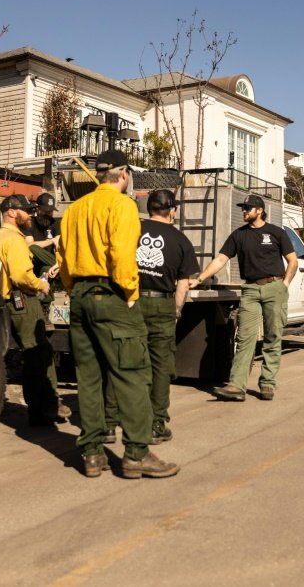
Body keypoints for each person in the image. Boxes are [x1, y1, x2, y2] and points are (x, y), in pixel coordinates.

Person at [56, 149, 179, 479]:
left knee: (89, 376)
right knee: (132, 374)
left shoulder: (75, 209)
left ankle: (93, 454)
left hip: (80, 296)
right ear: (123, 174)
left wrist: (74, 290)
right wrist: (129, 294)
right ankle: (136, 454)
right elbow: (122, 254)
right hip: (112, 294)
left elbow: (64, 257)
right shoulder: (123, 206)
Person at [104, 189, 198, 444]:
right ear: (172, 210)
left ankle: (109, 424)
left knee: (122, 361)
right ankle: (156, 424)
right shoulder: (181, 241)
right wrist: (176, 310)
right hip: (161, 306)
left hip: (129, 301)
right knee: (160, 366)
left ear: (149, 208)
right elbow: (183, 284)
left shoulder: (131, 229)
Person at [192, 194, 297, 402]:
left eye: (248, 208)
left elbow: (292, 261)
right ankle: (236, 385)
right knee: (244, 339)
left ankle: (267, 383)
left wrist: (284, 285)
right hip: (249, 289)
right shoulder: (238, 236)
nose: (244, 211)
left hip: (274, 287)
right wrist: (200, 278)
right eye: (243, 208)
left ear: (260, 210)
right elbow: (221, 259)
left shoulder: (276, 233)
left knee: (273, 336)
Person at [0, 194, 63, 427]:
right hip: (23, 300)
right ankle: (43, 410)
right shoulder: (14, 239)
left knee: (36, 352)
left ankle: (44, 408)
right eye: (25, 210)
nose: (30, 214)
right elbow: (21, 275)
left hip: (10, 301)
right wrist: (41, 284)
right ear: (11, 212)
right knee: (37, 353)